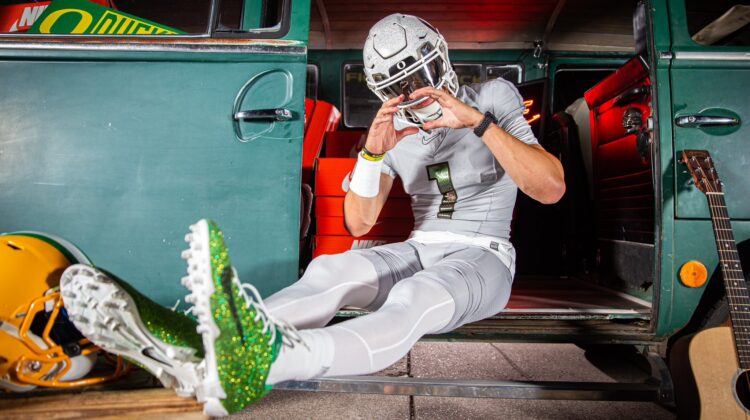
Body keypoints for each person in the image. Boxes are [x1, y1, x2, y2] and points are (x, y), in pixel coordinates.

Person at [60, 14, 565, 416]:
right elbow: (358, 224)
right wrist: (371, 153)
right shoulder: (396, 133)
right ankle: (195, 340)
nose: (413, 93)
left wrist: (476, 123)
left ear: (442, 63)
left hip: (484, 256)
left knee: (415, 296)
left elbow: (550, 189)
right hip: (420, 245)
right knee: (330, 269)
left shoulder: (491, 98)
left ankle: (267, 361)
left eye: (420, 76)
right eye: (398, 84)